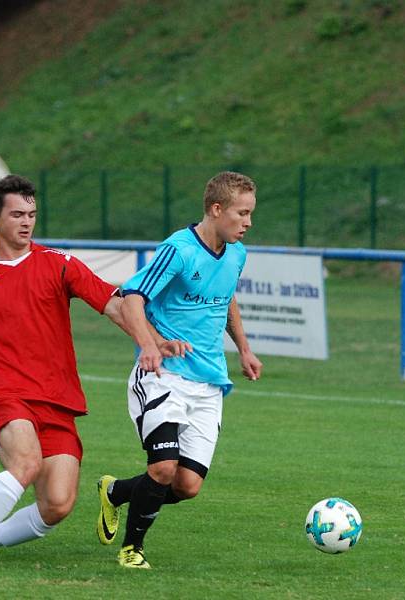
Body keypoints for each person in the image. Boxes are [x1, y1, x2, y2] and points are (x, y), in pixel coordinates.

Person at [0, 175, 183, 574]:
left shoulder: (58, 264)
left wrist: (151, 339)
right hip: (5, 394)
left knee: (57, 505)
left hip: (57, 399)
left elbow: (113, 305)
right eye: (16, 214)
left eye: (31, 214)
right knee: (25, 463)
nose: (26, 222)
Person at [96, 171, 263, 569]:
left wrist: (244, 348)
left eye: (251, 213)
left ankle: (115, 491)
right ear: (217, 209)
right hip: (164, 376)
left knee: (187, 486)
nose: (248, 222)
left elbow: (226, 298)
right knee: (163, 467)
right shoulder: (179, 249)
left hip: (209, 382)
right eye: (242, 213)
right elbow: (131, 298)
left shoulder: (236, 254)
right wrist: (150, 346)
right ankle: (132, 549)